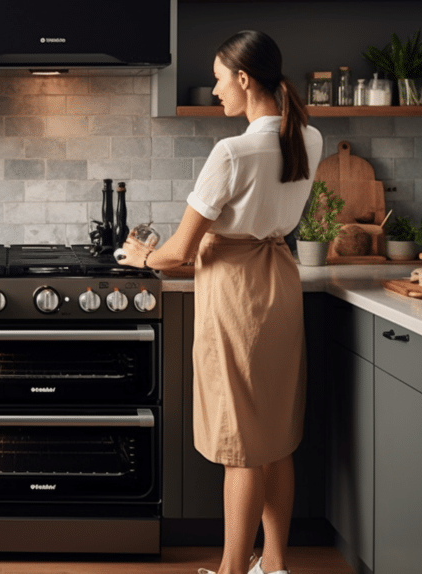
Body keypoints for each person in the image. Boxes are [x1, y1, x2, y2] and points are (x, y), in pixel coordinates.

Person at [118, 30, 323, 574]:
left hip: (236, 294)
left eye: (216, 79)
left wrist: (140, 257)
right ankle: (273, 566)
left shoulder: (231, 152)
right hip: (280, 284)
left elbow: (180, 252)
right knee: (277, 437)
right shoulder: (311, 138)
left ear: (243, 78)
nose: (214, 91)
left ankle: (232, 571)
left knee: (240, 444)